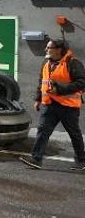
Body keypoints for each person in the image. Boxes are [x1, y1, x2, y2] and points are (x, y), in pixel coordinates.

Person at [20, 39, 85, 170]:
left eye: (49, 47)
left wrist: (60, 89)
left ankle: (82, 161)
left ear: (59, 50)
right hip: (49, 104)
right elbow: (42, 82)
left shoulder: (73, 63)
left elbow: (82, 82)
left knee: (74, 134)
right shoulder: (46, 62)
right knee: (43, 131)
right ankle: (36, 159)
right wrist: (38, 99)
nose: (46, 49)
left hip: (68, 106)